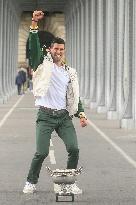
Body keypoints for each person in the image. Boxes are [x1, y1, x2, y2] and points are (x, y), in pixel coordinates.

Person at [23, 10, 87, 194]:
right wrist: (34, 23)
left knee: (74, 149)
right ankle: (31, 181)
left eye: (61, 49)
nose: (58, 52)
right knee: (41, 152)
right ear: (50, 49)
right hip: (45, 116)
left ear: (64, 51)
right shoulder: (42, 65)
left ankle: (70, 183)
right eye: (55, 49)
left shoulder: (69, 72)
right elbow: (34, 47)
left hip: (63, 116)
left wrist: (81, 114)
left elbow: (74, 96)